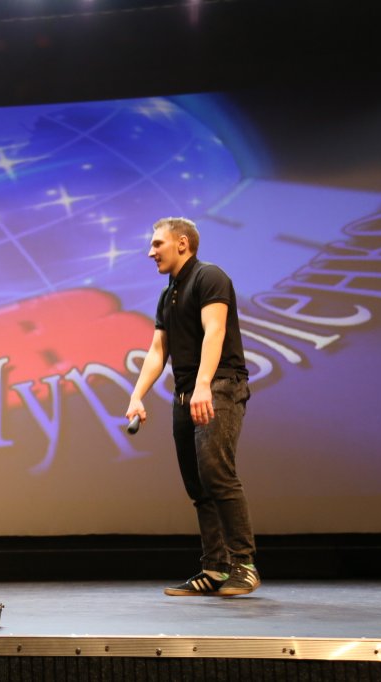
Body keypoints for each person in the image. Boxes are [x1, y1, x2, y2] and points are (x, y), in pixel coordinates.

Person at [126, 217, 260, 596]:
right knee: (198, 485)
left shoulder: (209, 277)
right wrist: (137, 395)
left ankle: (244, 565)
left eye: (157, 244)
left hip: (219, 386)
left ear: (182, 243)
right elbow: (158, 350)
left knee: (217, 474)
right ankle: (215, 568)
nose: (150, 252)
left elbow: (215, 331)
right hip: (185, 394)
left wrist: (204, 386)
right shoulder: (168, 294)